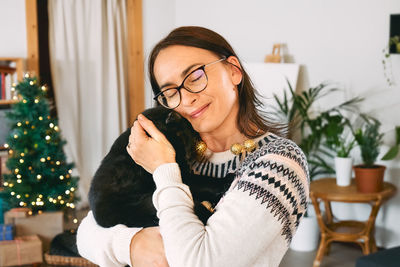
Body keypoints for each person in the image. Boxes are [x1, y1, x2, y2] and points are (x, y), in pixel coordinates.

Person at [77, 26, 309, 267]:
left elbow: (199, 262)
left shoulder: (279, 163)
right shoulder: (174, 146)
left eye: (196, 76)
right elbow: (85, 232)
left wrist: (164, 171)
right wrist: (131, 244)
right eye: (170, 91)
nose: (186, 99)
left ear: (234, 71)